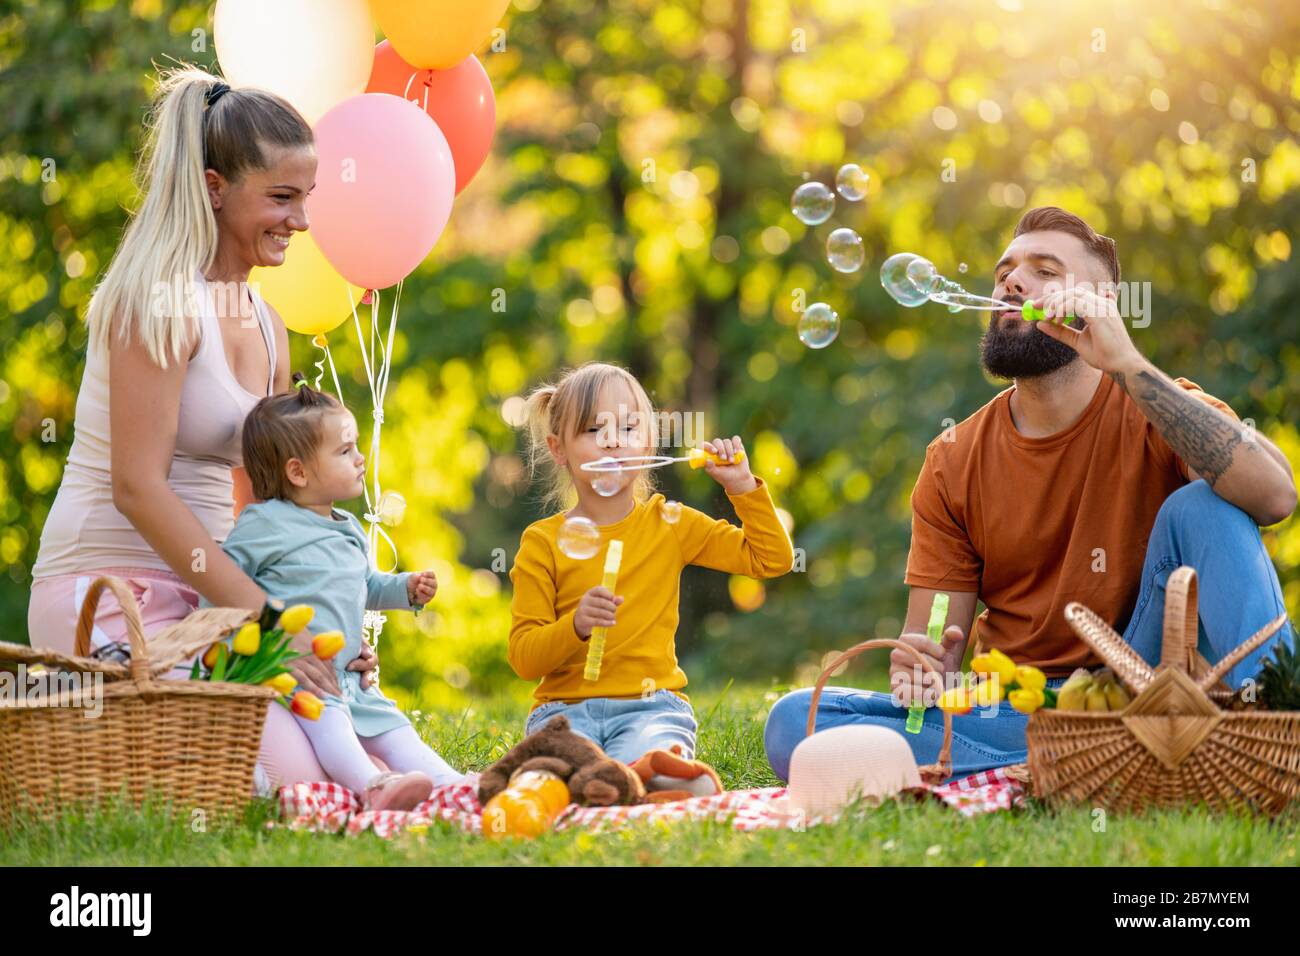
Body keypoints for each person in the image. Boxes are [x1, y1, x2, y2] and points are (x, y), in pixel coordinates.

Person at [765, 206, 1298, 781]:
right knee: (797, 721)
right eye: (1005, 272)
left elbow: (1275, 498)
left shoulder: (1162, 409)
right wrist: (926, 666)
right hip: (1014, 705)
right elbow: (936, 630)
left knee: (1205, 503)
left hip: (1142, 685)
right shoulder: (952, 460)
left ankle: (1274, 738)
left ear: (1100, 305)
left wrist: (1126, 364)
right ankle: (1094, 757)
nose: (1012, 282)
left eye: (1045, 270)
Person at [27, 65, 375, 791]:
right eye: (281, 198)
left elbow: (274, 508)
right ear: (215, 188)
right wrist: (270, 623)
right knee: (282, 779)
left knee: (332, 761)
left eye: (305, 199)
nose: (301, 222)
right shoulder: (157, 302)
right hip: (108, 593)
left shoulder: (271, 329)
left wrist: (319, 624)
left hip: (213, 602)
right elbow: (136, 489)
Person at [510, 362, 794, 762]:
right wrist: (575, 625)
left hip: (651, 710)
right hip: (563, 713)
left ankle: (639, 776)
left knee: (642, 760)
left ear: (647, 445)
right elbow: (525, 658)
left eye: (628, 429)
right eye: (594, 430)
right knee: (556, 767)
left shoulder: (670, 524)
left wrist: (742, 487)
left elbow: (772, 560)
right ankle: (614, 781)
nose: (612, 443)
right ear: (559, 449)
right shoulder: (541, 543)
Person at [212, 375, 466, 810]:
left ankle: (453, 784)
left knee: (394, 729)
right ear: (298, 471)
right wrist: (250, 646)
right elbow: (220, 590)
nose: (360, 459)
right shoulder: (264, 523)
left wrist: (405, 589)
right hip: (295, 674)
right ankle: (374, 787)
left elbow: (365, 586)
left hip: (350, 675)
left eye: (356, 447)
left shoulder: (347, 529)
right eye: (345, 451)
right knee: (332, 727)